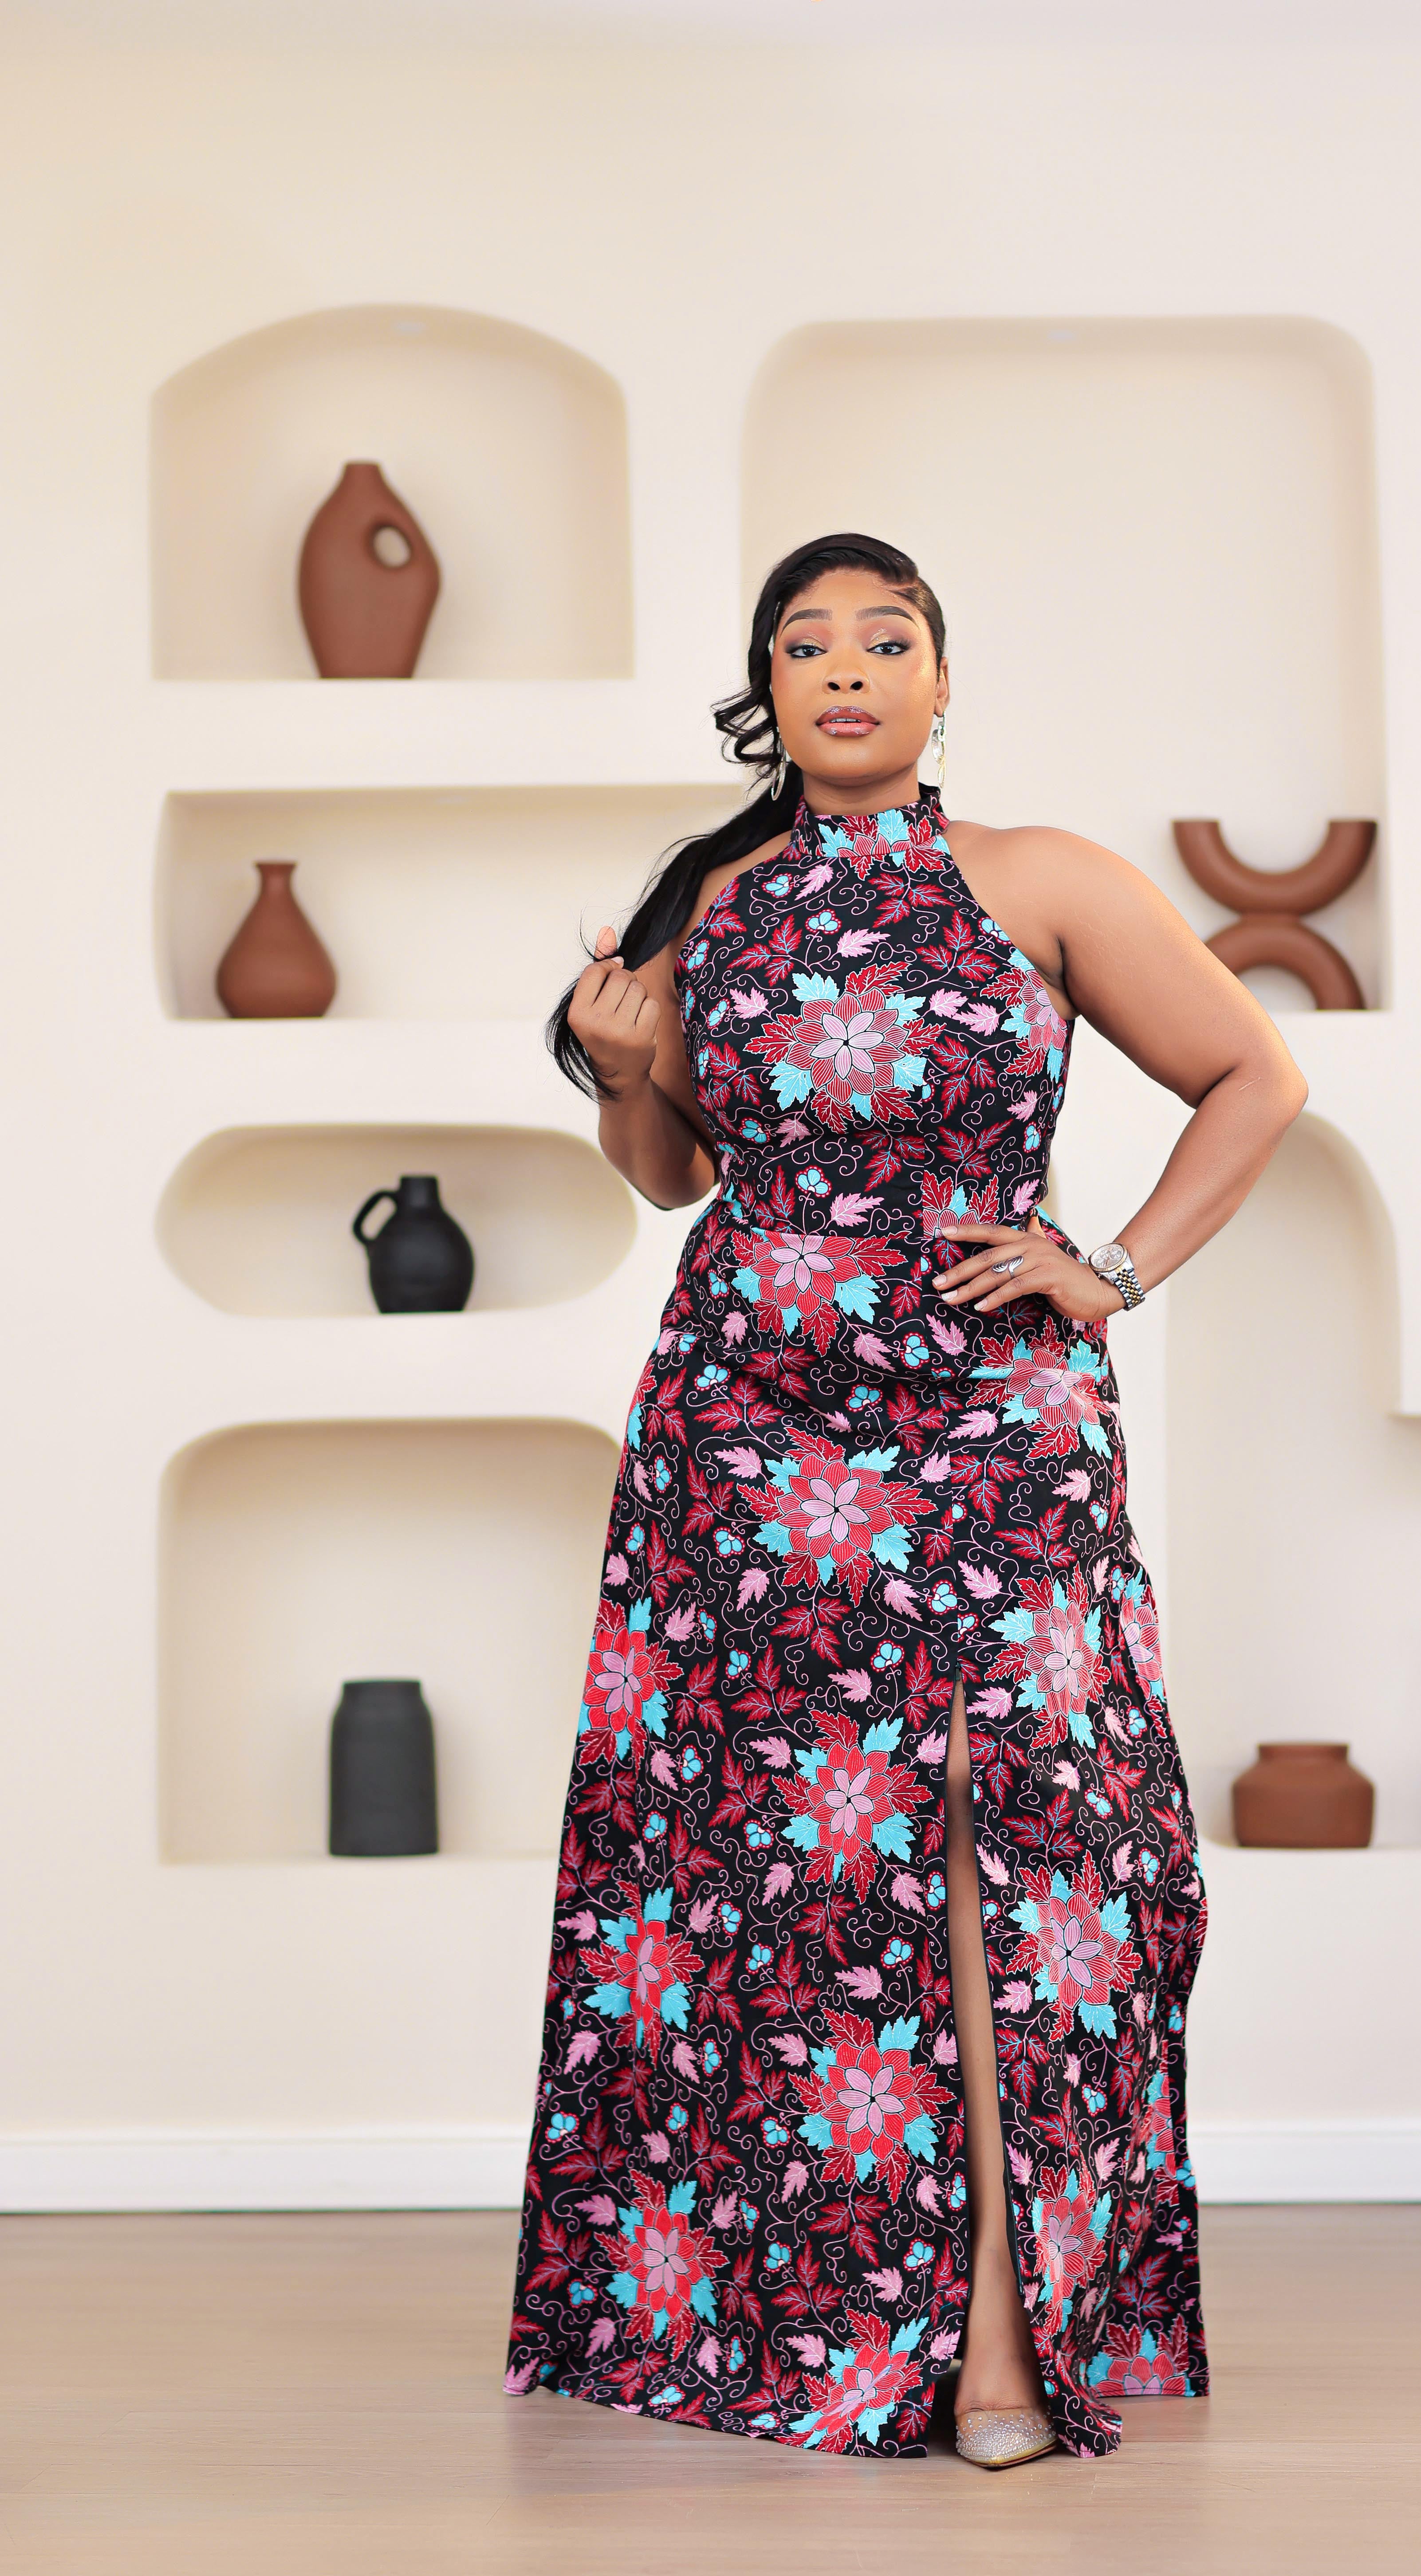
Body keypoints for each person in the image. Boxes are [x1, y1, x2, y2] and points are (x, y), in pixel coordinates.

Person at [507, 532, 1306, 2466]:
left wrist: (1108, 1268)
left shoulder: (1041, 878)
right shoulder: (711, 901)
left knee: (996, 1829)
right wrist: (621, 1073)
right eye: (807, 644)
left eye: (887, 638)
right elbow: (668, 1180)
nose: (847, 668)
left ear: (943, 683)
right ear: (766, 691)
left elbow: (1254, 1078)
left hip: (992, 1408)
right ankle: (807, 2315)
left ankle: (1005, 2344)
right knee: (789, 1866)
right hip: (751, 1422)